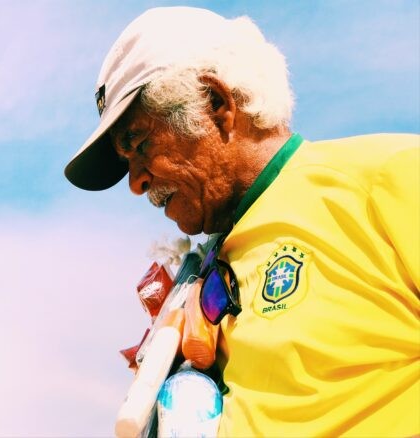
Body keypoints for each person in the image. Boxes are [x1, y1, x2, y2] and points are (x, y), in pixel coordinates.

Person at [64, 6, 419, 437]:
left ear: (215, 105)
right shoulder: (199, 285)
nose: (135, 183)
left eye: (139, 144)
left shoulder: (393, 177)